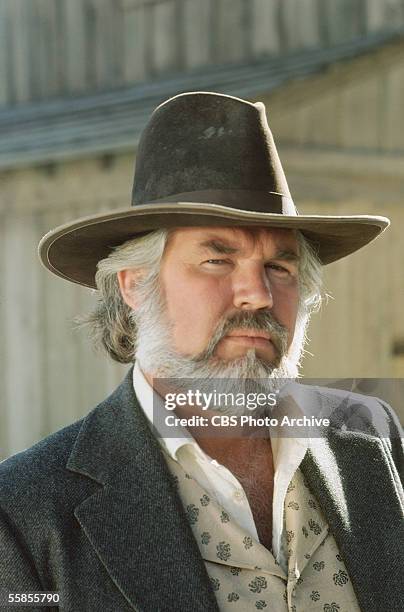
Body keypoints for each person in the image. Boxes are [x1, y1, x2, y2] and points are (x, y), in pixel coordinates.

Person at [0, 92, 402, 612]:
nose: (257, 294)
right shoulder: (26, 510)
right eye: (217, 260)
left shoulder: (370, 435)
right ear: (134, 284)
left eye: (280, 268)